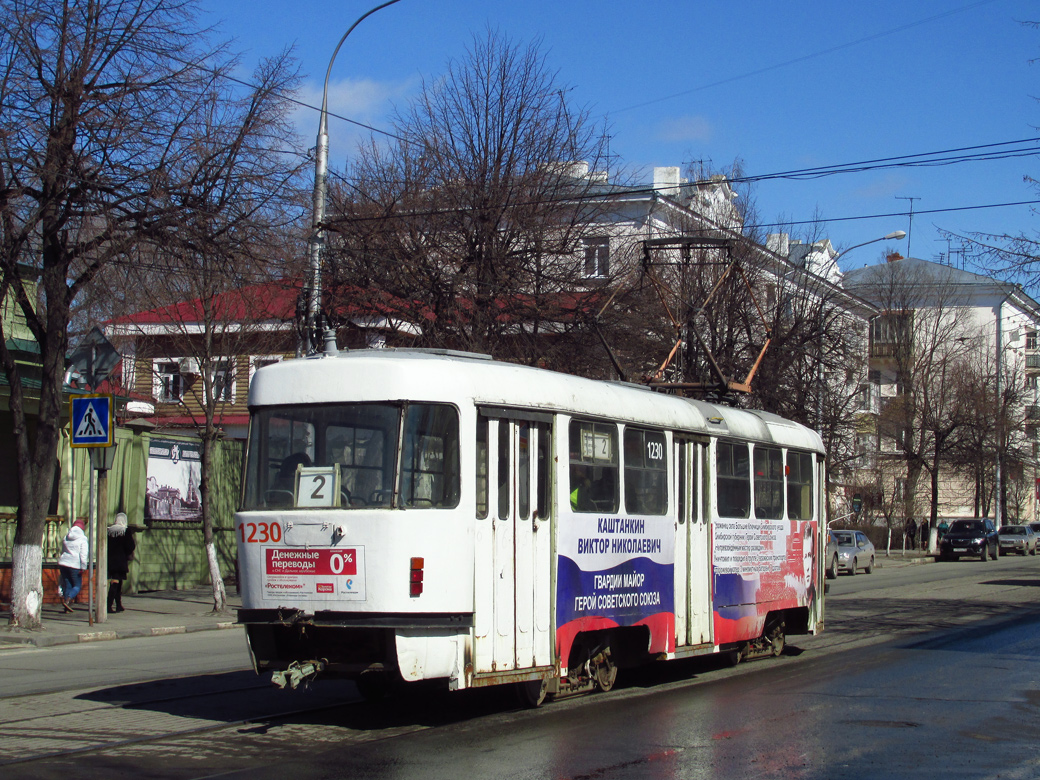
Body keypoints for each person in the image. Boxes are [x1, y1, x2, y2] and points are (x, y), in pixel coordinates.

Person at [58, 519, 90, 613]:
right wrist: (83, 567)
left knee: (68, 584)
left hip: (64, 563)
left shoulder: (66, 536)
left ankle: (66, 607)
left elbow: (63, 550)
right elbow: (83, 554)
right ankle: (68, 600)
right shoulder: (82, 538)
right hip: (75, 565)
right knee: (77, 586)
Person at [107, 512, 136, 613]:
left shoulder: (109, 530)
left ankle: (118, 605)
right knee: (115, 582)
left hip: (110, 560)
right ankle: (108, 605)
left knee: (118, 582)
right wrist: (127, 553)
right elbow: (130, 545)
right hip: (120, 561)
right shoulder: (125, 531)